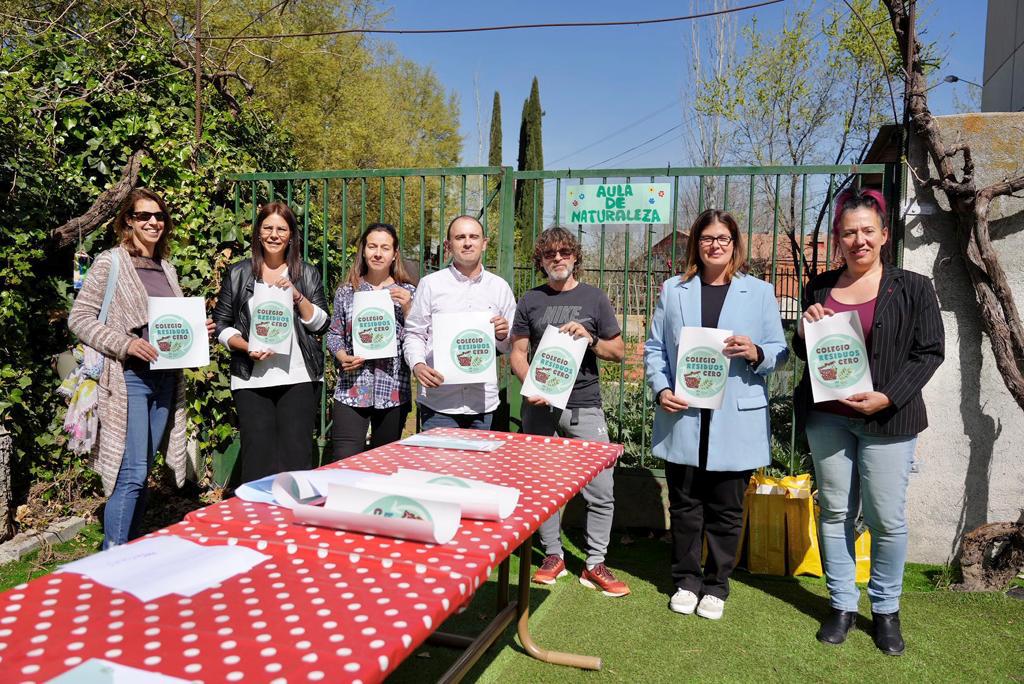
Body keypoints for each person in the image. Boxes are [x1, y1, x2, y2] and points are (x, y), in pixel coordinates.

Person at [794, 188, 943, 655]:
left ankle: (885, 610)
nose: (858, 240)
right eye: (848, 233)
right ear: (838, 239)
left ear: (883, 235)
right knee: (835, 512)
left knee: (886, 519)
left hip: (889, 420)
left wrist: (888, 396)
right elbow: (806, 351)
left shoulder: (914, 286)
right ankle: (841, 604)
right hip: (828, 419)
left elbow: (929, 352)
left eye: (866, 231)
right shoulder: (819, 287)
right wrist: (803, 328)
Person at [644, 208, 788, 620]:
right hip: (684, 414)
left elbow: (779, 350)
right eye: (707, 238)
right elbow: (655, 349)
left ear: (735, 244)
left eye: (723, 238)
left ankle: (716, 585)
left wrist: (756, 352)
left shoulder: (759, 292)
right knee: (685, 505)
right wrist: (662, 389)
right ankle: (686, 580)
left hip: (735, 417)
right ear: (696, 244)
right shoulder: (674, 290)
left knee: (727, 508)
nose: (715, 245)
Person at [68, 188, 211, 549]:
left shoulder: (167, 268)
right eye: (144, 215)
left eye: (159, 216)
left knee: (142, 470)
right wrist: (126, 344)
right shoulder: (111, 263)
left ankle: (130, 549)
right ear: (128, 221)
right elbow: (79, 318)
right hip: (128, 379)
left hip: (164, 380)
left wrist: (197, 330)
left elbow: (169, 326)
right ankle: (113, 556)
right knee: (130, 472)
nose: (153, 222)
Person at [510, 226, 630, 597]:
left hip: (584, 405)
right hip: (540, 407)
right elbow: (517, 353)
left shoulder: (595, 298)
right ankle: (553, 555)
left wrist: (591, 339)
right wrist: (531, 385)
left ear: (575, 256)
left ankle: (595, 562)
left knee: (602, 488)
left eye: (564, 252)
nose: (557, 258)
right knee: (541, 486)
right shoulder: (530, 299)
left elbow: (618, 351)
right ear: (541, 261)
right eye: (549, 254)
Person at [212, 201, 330, 482]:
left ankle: (294, 508)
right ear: (258, 233)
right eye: (267, 228)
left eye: (281, 229)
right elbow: (221, 326)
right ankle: (257, 509)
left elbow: (322, 324)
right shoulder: (238, 273)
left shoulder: (307, 273)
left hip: (299, 377)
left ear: (291, 235)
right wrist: (246, 347)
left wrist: (297, 296)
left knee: (296, 456)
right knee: (257, 457)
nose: (274, 235)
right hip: (251, 379)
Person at [403, 215, 516, 430]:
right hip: (439, 401)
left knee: (480, 455)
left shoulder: (499, 287)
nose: (467, 243)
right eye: (460, 237)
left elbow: (510, 343)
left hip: (482, 404)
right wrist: (417, 365)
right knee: (439, 455)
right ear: (448, 246)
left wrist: (503, 335)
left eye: (474, 237)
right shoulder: (430, 285)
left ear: (484, 243)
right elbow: (414, 333)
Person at [325, 223, 415, 459]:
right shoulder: (347, 291)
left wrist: (408, 308)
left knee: (384, 463)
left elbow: (419, 337)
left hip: (393, 389)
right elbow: (334, 334)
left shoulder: (408, 293)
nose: (378, 253)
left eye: (385, 248)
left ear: (394, 254)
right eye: (372, 246)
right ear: (363, 251)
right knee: (344, 461)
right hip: (352, 387)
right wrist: (342, 356)